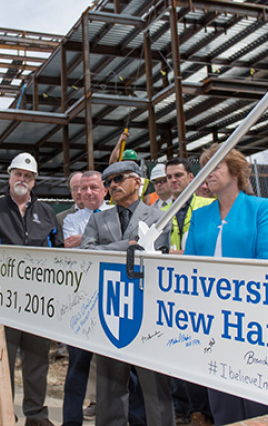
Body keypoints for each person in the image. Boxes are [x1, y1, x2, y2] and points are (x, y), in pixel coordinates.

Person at [184, 144, 268, 426]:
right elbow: (190, 263)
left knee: (257, 397)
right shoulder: (201, 216)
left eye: (214, 166)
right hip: (210, 317)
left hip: (252, 316)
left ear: (235, 170)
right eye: (204, 167)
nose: (207, 173)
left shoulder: (261, 208)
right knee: (220, 395)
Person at [0, 152, 62, 426]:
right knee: (2, 363)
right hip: (2, 301)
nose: (23, 179)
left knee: (37, 363)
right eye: (18, 174)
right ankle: (3, 415)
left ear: (34, 182)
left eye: (28, 176)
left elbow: (58, 253)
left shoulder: (46, 213)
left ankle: (36, 415)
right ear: (10, 177)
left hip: (37, 302)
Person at [81, 161, 175, 426]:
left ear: (138, 181)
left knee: (155, 388)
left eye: (119, 179)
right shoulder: (98, 218)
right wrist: (127, 246)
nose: (113, 185)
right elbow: (85, 253)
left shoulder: (159, 217)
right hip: (111, 308)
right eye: (109, 181)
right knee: (110, 387)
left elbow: (157, 255)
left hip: (149, 311)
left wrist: (110, 248)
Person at [61, 171, 109, 426]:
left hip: (112, 301)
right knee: (77, 367)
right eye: (82, 188)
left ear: (104, 190)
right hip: (81, 301)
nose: (87, 192)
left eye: (93, 187)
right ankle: (71, 421)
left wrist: (87, 240)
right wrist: (112, 242)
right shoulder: (71, 219)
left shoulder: (119, 213)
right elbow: (72, 247)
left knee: (118, 370)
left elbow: (126, 244)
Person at [164, 158, 215, 253]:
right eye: (169, 177)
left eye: (178, 175)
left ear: (191, 177)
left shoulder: (210, 205)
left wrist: (176, 253)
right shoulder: (162, 212)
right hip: (169, 266)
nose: (173, 180)